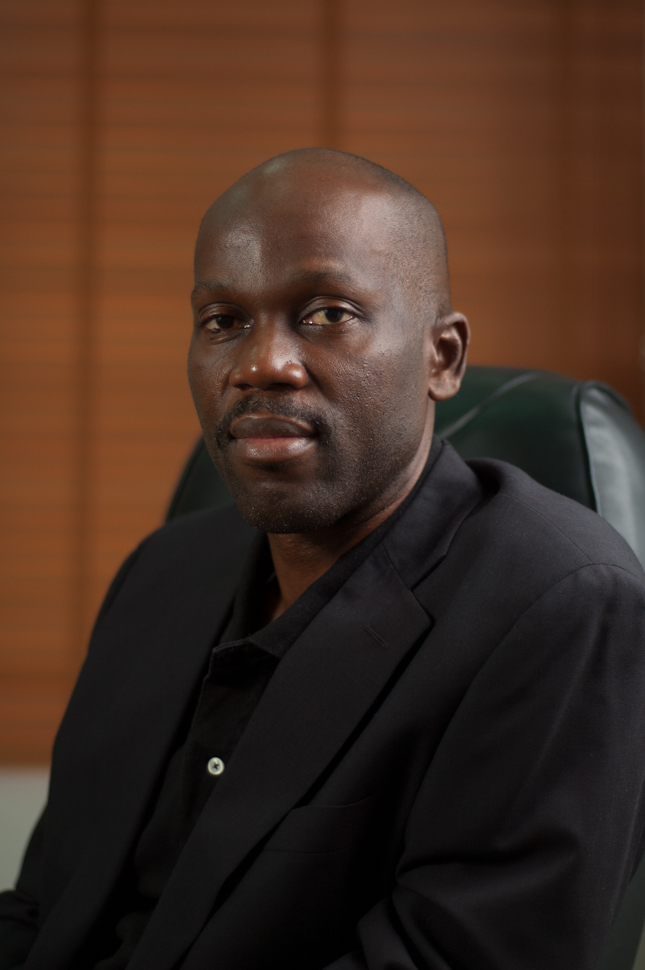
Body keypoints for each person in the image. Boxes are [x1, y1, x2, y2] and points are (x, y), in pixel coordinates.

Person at [2, 148, 645, 970]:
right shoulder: (160, 574)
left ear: (441, 357)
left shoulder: (560, 607)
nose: (259, 364)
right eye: (222, 321)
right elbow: (43, 908)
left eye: (327, 313)